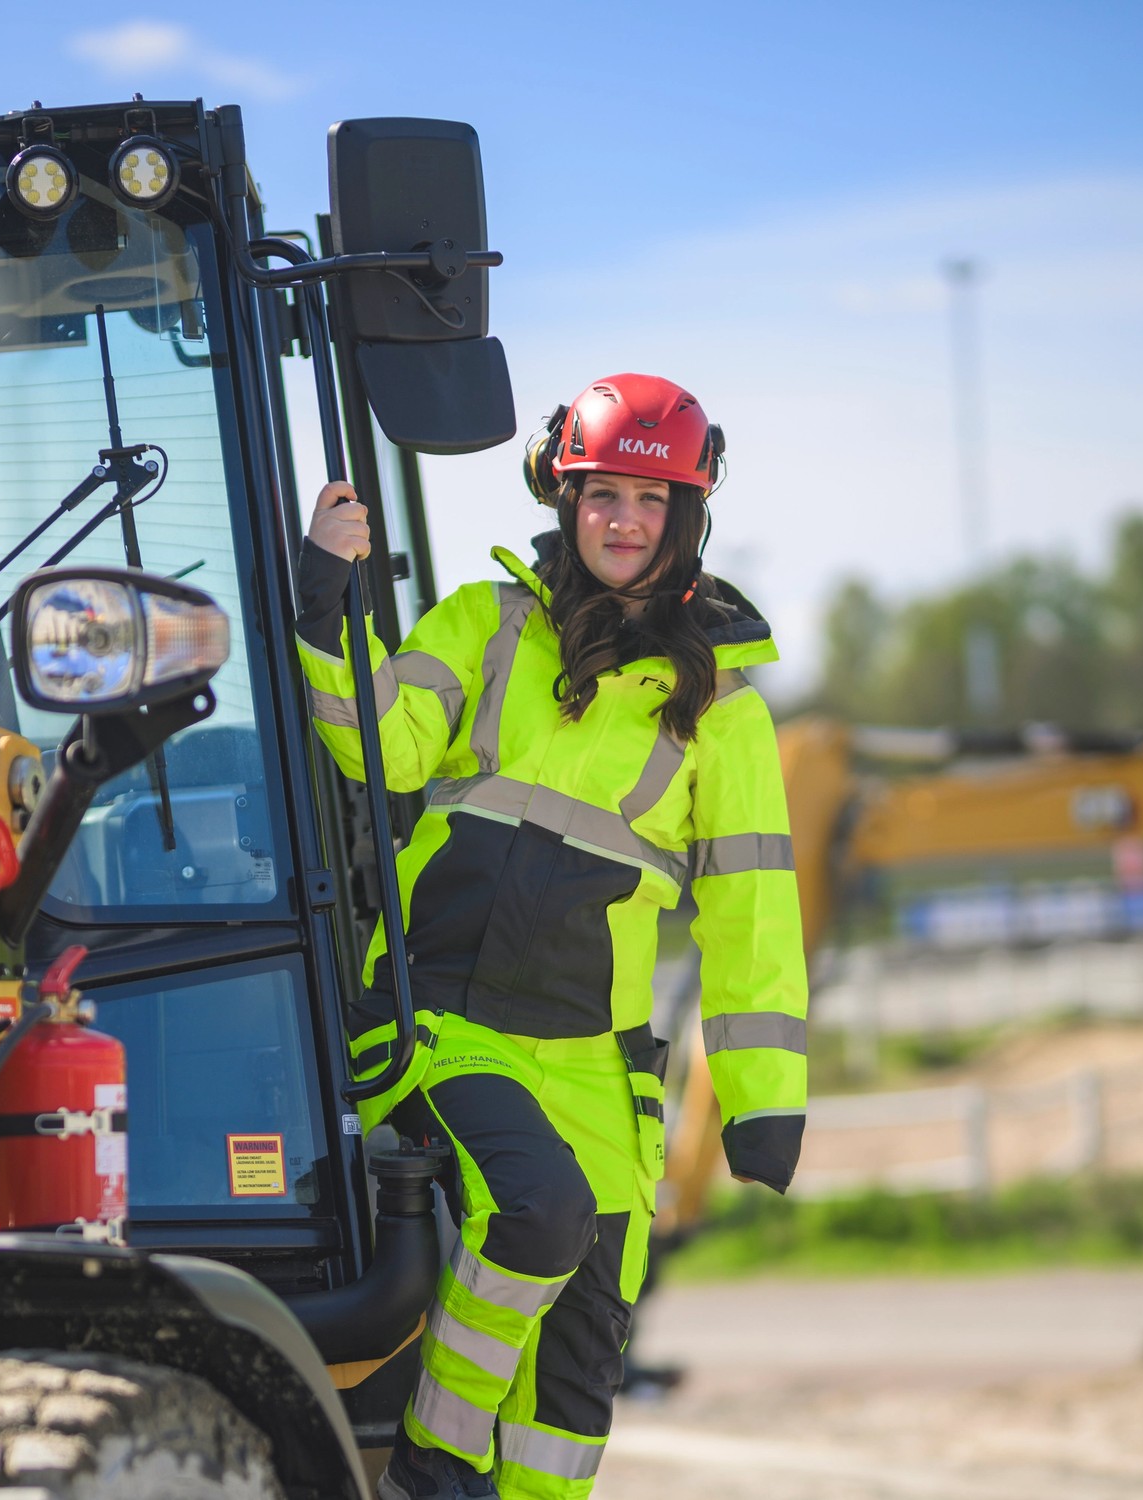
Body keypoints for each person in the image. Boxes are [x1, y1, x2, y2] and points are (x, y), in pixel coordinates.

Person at [294, 373, 807, 1500]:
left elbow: (752, 915)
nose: (625, 521)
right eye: (603, 493)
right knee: (539, 1213)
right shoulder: (483, 625)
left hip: (593, 1062)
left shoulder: (724, 709)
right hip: (441, 1023)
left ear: (690, 516)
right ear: (561, 495)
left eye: (653, 500)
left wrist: (766, 1098)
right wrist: (325, 605)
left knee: (574, 1380)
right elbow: (376, 740)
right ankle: (434, 1464)